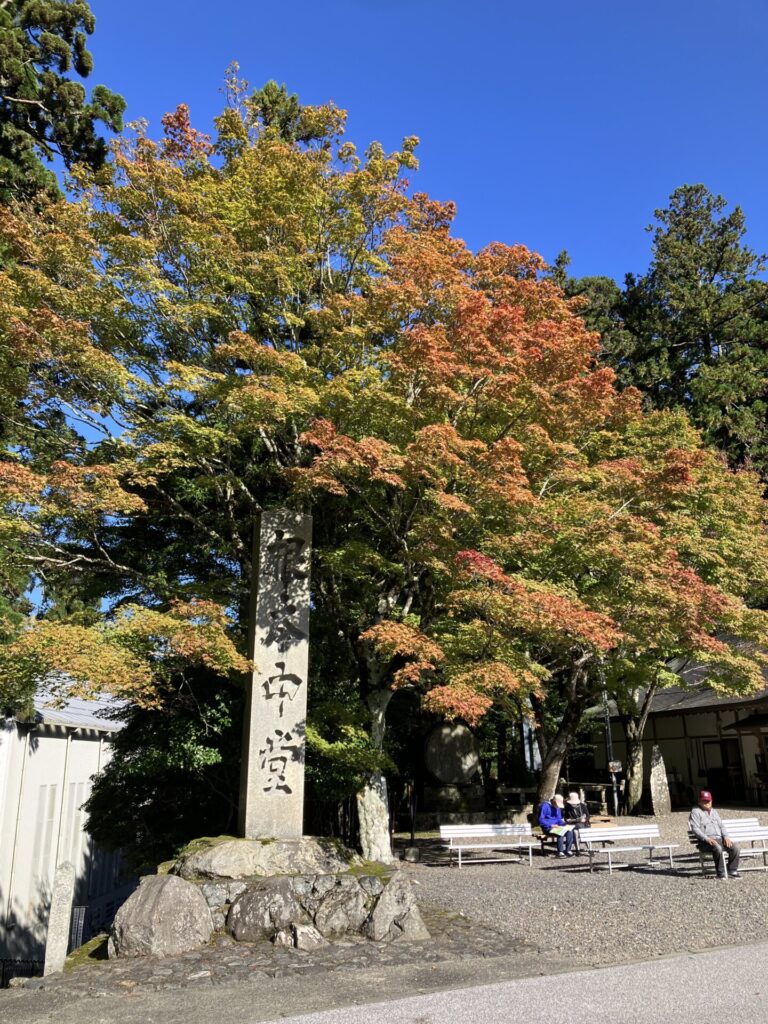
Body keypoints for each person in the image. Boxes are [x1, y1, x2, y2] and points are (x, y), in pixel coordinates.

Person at [688, 789, 741, 880]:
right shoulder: (695, 812)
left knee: (735, 847)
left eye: (708, 801)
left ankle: (732, 871)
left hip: (719, 839)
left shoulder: (714, 811)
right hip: (705, 842)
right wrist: (706, 839)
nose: (707, 803)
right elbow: (695, 829)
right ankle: (721, 873)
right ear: (699, 801)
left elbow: (721, 826)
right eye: (704, 801)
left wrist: (726, 837)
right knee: (717, 847)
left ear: (711, 800)